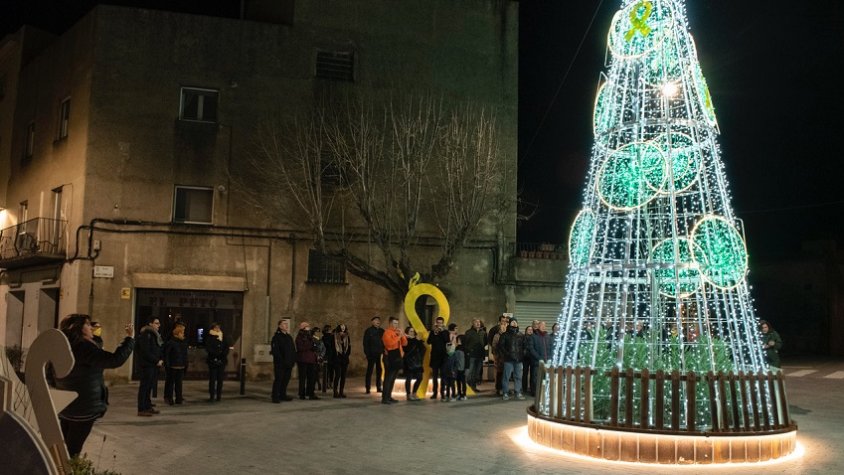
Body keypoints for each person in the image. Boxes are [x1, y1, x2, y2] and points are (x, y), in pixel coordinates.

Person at [55, 314, 134, 457]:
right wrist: (129, 339)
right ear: (78, 329)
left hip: (65, 406)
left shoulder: (62, 347)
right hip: (83, 408)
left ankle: (58, 468)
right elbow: (114, 360)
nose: (91, 327)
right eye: (87, 324)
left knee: (65, 446)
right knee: (73, 450)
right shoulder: (84, 347)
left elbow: (50, 374)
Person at [136, 317, 163, 416]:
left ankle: (147, 406)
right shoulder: (146, 335)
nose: (158, 325)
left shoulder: (154, 335)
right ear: (150, 324)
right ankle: (141, 408)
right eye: (156, 323)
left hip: (153, 365)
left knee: (149, 387)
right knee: (144, 387)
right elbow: (145, 351)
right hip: (147, 365)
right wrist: (156, 360)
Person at [497, 317, 525, 401]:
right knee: (506, 377)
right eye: (512, 322)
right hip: (508, 360)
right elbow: (501, 347)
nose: (514, 323)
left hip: (518, 360)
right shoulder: (504, 335)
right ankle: (505, 393)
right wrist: (506, 355)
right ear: (509, 323)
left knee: (518, 377)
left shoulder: (521, 335)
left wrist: (522, 354)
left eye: (515, 322)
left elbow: (524, 346)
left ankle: (518, 392)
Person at [381, 316, 407, 404]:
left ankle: (389, 396)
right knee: (388, 378)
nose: (396, 325)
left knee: (393, 378)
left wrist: (402, 335)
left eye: (397, 323)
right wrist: (398, 336)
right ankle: (385, 398)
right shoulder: (387, 333)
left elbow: (405, 343)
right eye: (394, 323)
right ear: (390, 323)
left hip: (397, 357)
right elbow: (390, 344)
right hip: (389, 357)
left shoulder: (396, 333)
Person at [271, 319, 296, 403]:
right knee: (279, 379)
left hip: (289, 363)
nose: (286, 325)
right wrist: (281, 361)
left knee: (286, 380)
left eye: (287, 324)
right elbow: (276, 351)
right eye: (284, 324)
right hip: (280, 364)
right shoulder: (276, 337)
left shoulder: (289, 337)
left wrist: (293, 360)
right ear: (280, 326)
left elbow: (293, 349)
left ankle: (282, 394)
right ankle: (275, 396)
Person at [163, 322, 188, 405]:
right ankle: (169, 398)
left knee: (179, 383)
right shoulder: (171, 342)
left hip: (180, 366)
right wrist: (167, 365)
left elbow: (185, 355)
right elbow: (167, 354)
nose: (183, 334)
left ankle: (179, 398)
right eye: (182, 332)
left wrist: (185, 364)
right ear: (178, 333)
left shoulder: (183, 343)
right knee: (170, 383)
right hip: (173, 366)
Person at [205, 322, 229, 402]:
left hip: (222, 361)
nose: (217, 329)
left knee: (220, 379)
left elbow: (226, 347)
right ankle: (212, 396)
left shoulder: (223, 336)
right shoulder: (209, 337)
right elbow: (208, 348)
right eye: (216, 327)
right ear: (212, 328)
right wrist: (216, 355)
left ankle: (219, 395)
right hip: (212, 361)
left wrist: (222, 355)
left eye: (218, 327)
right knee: (212, 379)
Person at [426, 316, 449, 400]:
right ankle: (434, 393)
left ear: (443, 323)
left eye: (441, 323)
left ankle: (442, 393)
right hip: (435, 356)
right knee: (435, 376)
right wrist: (434, 334)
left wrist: (442, 332)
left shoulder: (445, 332)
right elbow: (428, 342)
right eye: (438, 323)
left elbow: (447, 340)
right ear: (436, 323)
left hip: (443, 356)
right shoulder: (433, 332)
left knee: (443, 375)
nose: (439, 324)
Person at [527, 321, 552, 396]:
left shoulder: (548, 336)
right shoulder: (533, 336)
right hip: (537, 361)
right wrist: (539, 358)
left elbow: (551, 348)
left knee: (546, 378)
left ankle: (544, 392)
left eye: (545, 325)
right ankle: (535, 393)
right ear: (538, 326)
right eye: (542, 325)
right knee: (536, 378)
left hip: (547, 362)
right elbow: (531, 349)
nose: (543, 327)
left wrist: (550, 358)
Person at [296, 322, 319, 400]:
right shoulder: (299, 336)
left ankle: (310, 393)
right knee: (302, 378)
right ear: (303, 328)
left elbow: (313, 344)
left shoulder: (310, 336)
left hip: (311, 360)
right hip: (303, 360)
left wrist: (315, 346)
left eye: (309, 326)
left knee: (311, 378)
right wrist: (311, 346)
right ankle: (302, 394)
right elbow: (300, 348)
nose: (309, 328)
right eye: (307, 327)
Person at [463, 319, 487, 392]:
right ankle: (466, 388)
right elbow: (465, 343)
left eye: (479, 322)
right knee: (469, 372)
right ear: (472, 324)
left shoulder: (483, 333)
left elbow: (485, 342)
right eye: (476, 322)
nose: (478, 323)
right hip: (471, 355)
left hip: (480, 355)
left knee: (476, 373)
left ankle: (473, 388)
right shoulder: (468, 332)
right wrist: (468, 351)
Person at [488, 314, 510, 395]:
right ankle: (498, 388)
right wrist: (496, 354)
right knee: (499, 372)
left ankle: (504, 388)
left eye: (506, 321)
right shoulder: (495, 332)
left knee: (505, 372)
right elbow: (492, 343)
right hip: (498, 356)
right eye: (503, 321)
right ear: (499, 322)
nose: (504, 323)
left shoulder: (508, 332)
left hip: (506, 356)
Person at [363, 316, 385, 394]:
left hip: (380, 354)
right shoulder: (368, 331)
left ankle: (378, 387)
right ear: (372, 322)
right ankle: (367, 388)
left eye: (379, 320)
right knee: (370, 371)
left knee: (379, 371)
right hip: (371, 354)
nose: (378, 321)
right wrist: (367, 354)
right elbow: (365, 344)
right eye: (376, 320)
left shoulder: (382, 331)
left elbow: (385, 342)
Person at [402, 326, 424, 401]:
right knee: (409, 378)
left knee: (420, 378)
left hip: (417, 361)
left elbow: (422, 348)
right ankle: (408, 394)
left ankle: (414, 392)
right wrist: (416, 341)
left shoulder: (417, 340)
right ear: (407, 332)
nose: (412, 333)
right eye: (410, 331)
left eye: (413, 331)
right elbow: (408, 349)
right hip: (409, 362)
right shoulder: (406, 340)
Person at [332, 323, 351, 398]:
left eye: (344, 331)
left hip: (344, 359)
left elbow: (349, 348)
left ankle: (341, 391)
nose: (342, 333)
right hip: (337, 359)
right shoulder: (334, 338)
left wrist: (346, 355)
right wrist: (335, 356)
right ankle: (335, 391)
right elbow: (332, 348)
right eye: (341, 331)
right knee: (337, 375)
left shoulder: (347, 337)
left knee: (343, 376)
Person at [521, 326, 535, 396]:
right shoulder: (523, 337)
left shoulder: (534, 338)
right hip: (525, 358)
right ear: (526, 331)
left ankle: (532, 388)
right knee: (525, 373)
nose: (530, 331)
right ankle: (524, 388)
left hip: (532, 358)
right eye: (528, 330)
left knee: (532, 374)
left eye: (531, 330)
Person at [453, 335, 467, 400]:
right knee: (458, 381)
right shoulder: (456, 348)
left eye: (459, 340)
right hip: (457, 368)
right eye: (457, 340)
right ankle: (459, 393)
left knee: (463, 382)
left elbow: (467, 360)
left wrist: (466, 368)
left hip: (462, 368)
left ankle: (464, 394)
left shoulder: (465, 348)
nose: (458, 341)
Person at [322, 324, 336, 392]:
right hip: (330, 355)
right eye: (330, 329)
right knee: (330, 371)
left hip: (327, 355)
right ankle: (330, 383)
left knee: (328, 371)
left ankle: (327, 383)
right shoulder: (331, 337)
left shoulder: (323, 337)